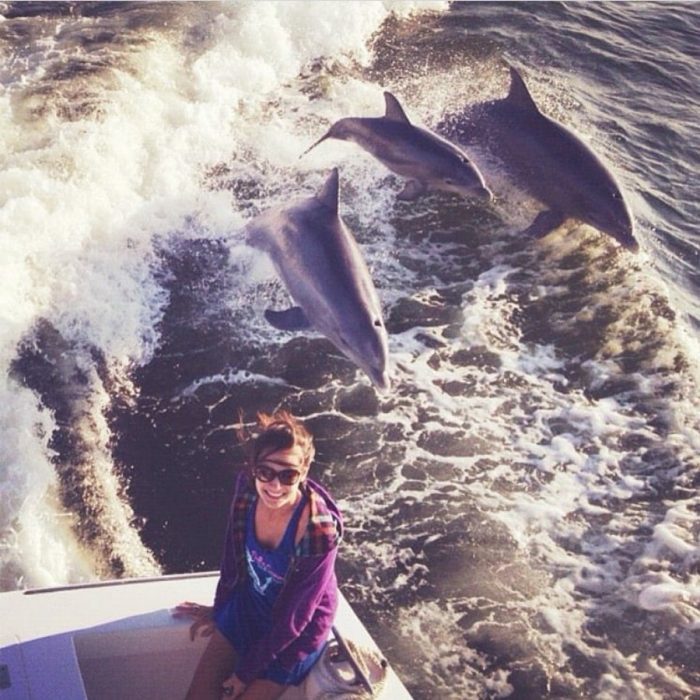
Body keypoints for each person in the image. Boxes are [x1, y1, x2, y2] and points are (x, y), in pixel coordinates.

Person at [175, 410, 343, 700]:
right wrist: (221, 608)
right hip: (249, 607)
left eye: (288, 475)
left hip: (293, 635)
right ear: (254, 468)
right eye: (266, 472)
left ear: (303, 472)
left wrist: (245, 673)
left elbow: (296, 618)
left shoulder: (317, 532)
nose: (275, 486)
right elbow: (232, 559)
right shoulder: (247, 492)